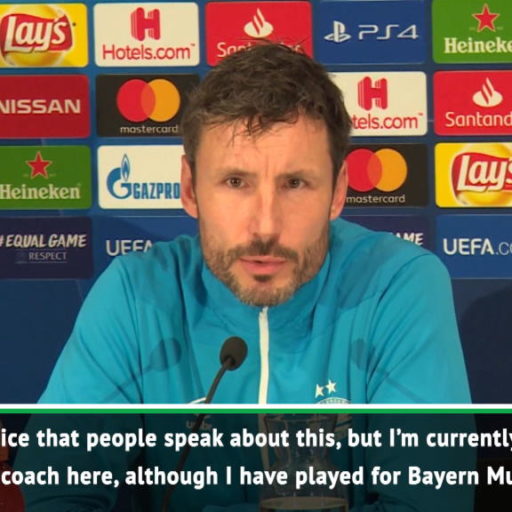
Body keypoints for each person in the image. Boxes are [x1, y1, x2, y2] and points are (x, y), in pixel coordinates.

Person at [18, 43, 474, 512]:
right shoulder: (136, 295)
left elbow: (432, 504)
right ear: (191, 188)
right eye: (236, 182)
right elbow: (57, 495)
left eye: (294, 183)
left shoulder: (396, 284)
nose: (265, 227)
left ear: (338, 190)